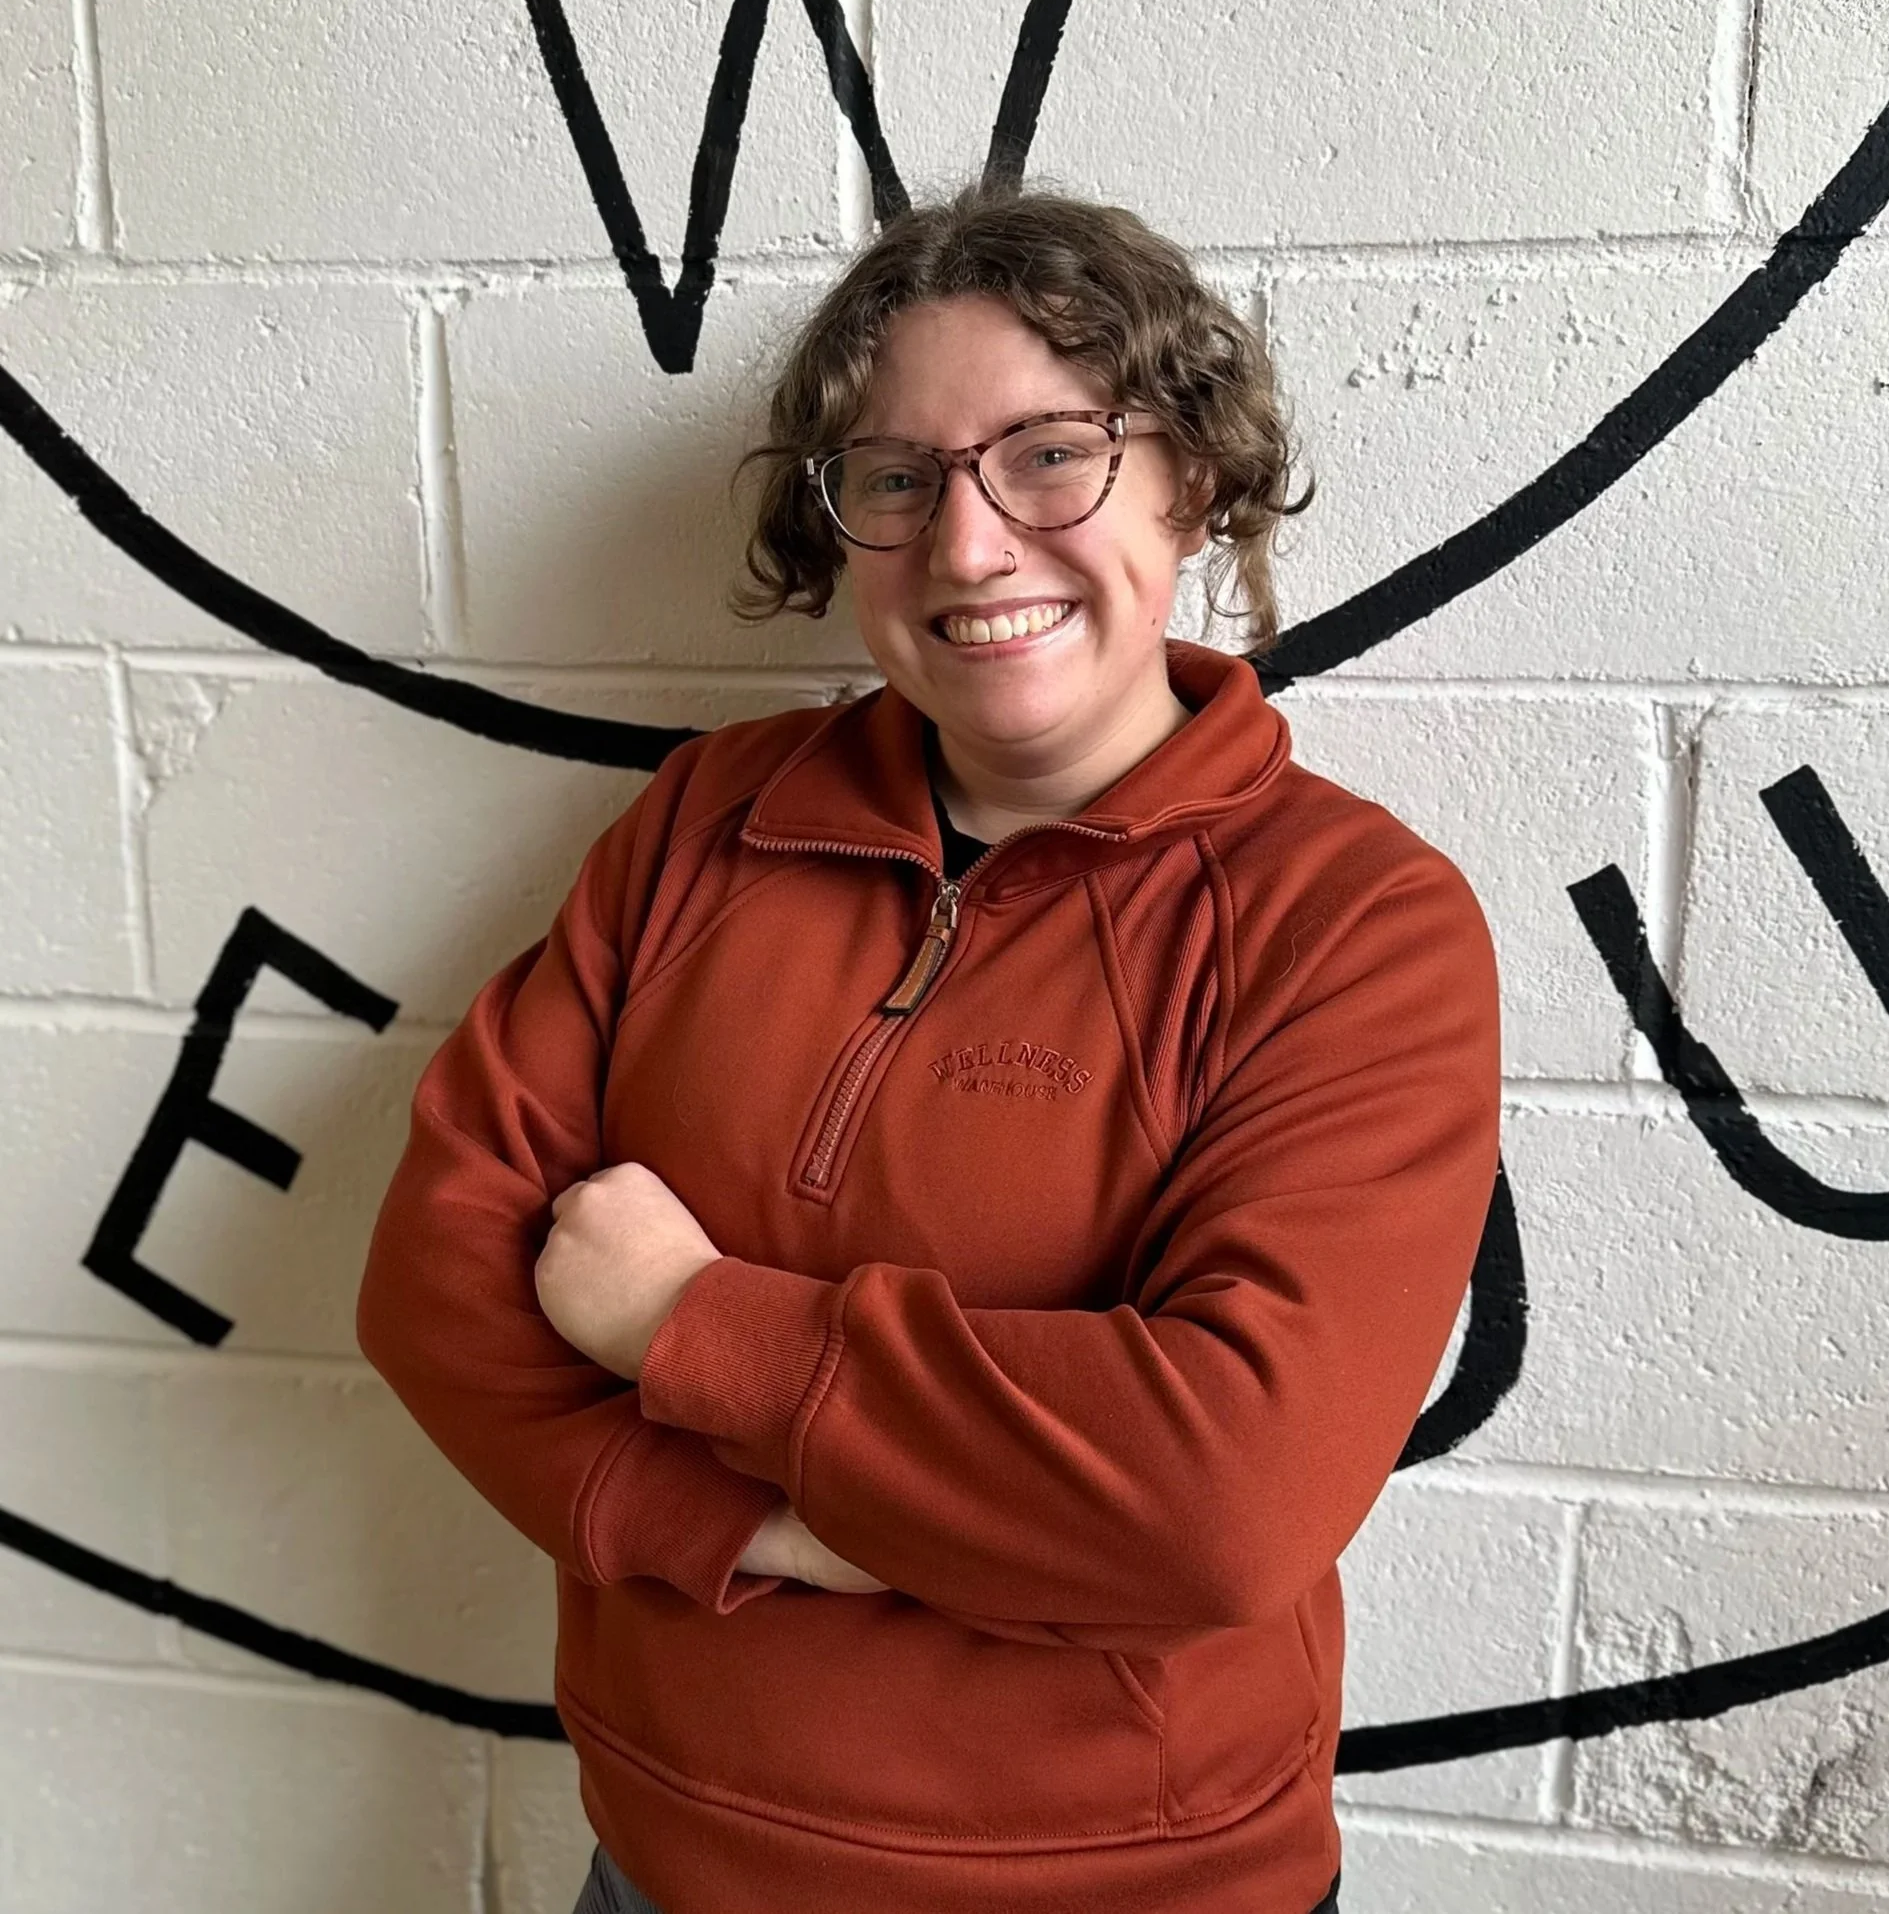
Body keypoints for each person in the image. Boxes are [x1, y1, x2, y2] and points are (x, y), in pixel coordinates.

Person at [357, 179, 1502, 1914]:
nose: (970, 546)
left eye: (1052, 454)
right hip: (663, 1868)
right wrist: (765, 1526)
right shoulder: (708, 824)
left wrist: (690, 1322)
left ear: (1190, 476)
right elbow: (439, 1278)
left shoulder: (1356, 922)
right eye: (897, 480)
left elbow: (1221, 1495)